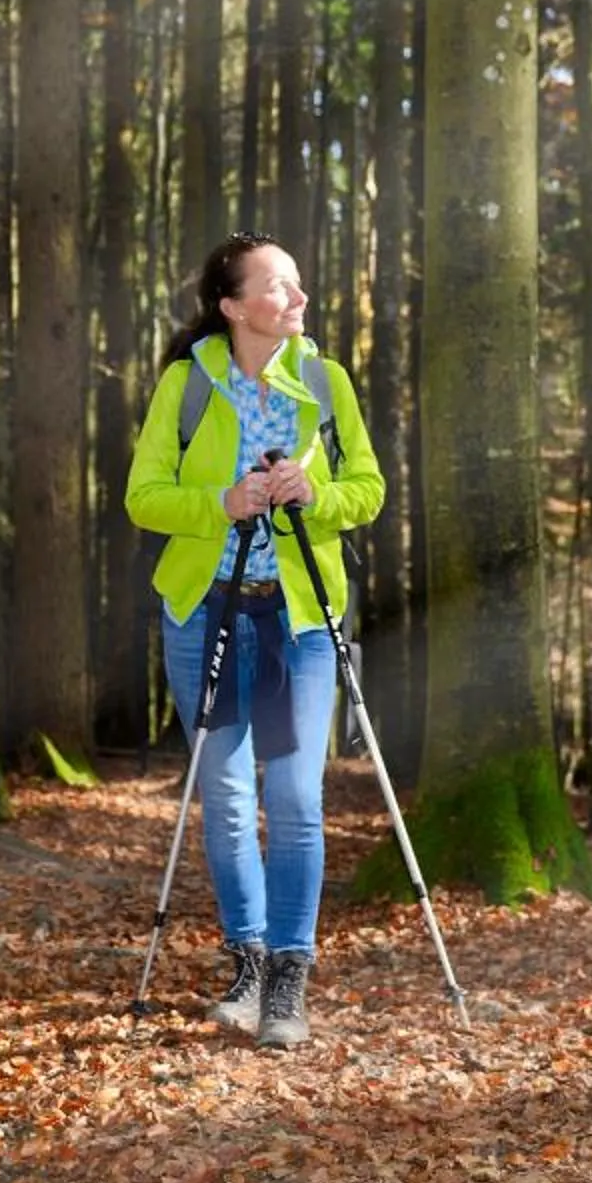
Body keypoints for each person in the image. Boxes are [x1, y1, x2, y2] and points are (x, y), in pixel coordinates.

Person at [125, 232, 385, 1050]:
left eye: (299, 283)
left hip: (302, 619)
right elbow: (144, 497)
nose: (299, 298)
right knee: (230, 801)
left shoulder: (324, 379)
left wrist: (316, 492)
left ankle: (288, 979)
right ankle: (245, 961)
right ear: (234, 306)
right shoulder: (187, 383)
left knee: (298, 801)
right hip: (205, 611)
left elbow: (368, 488)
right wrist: (225, 503)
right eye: (279, 287)